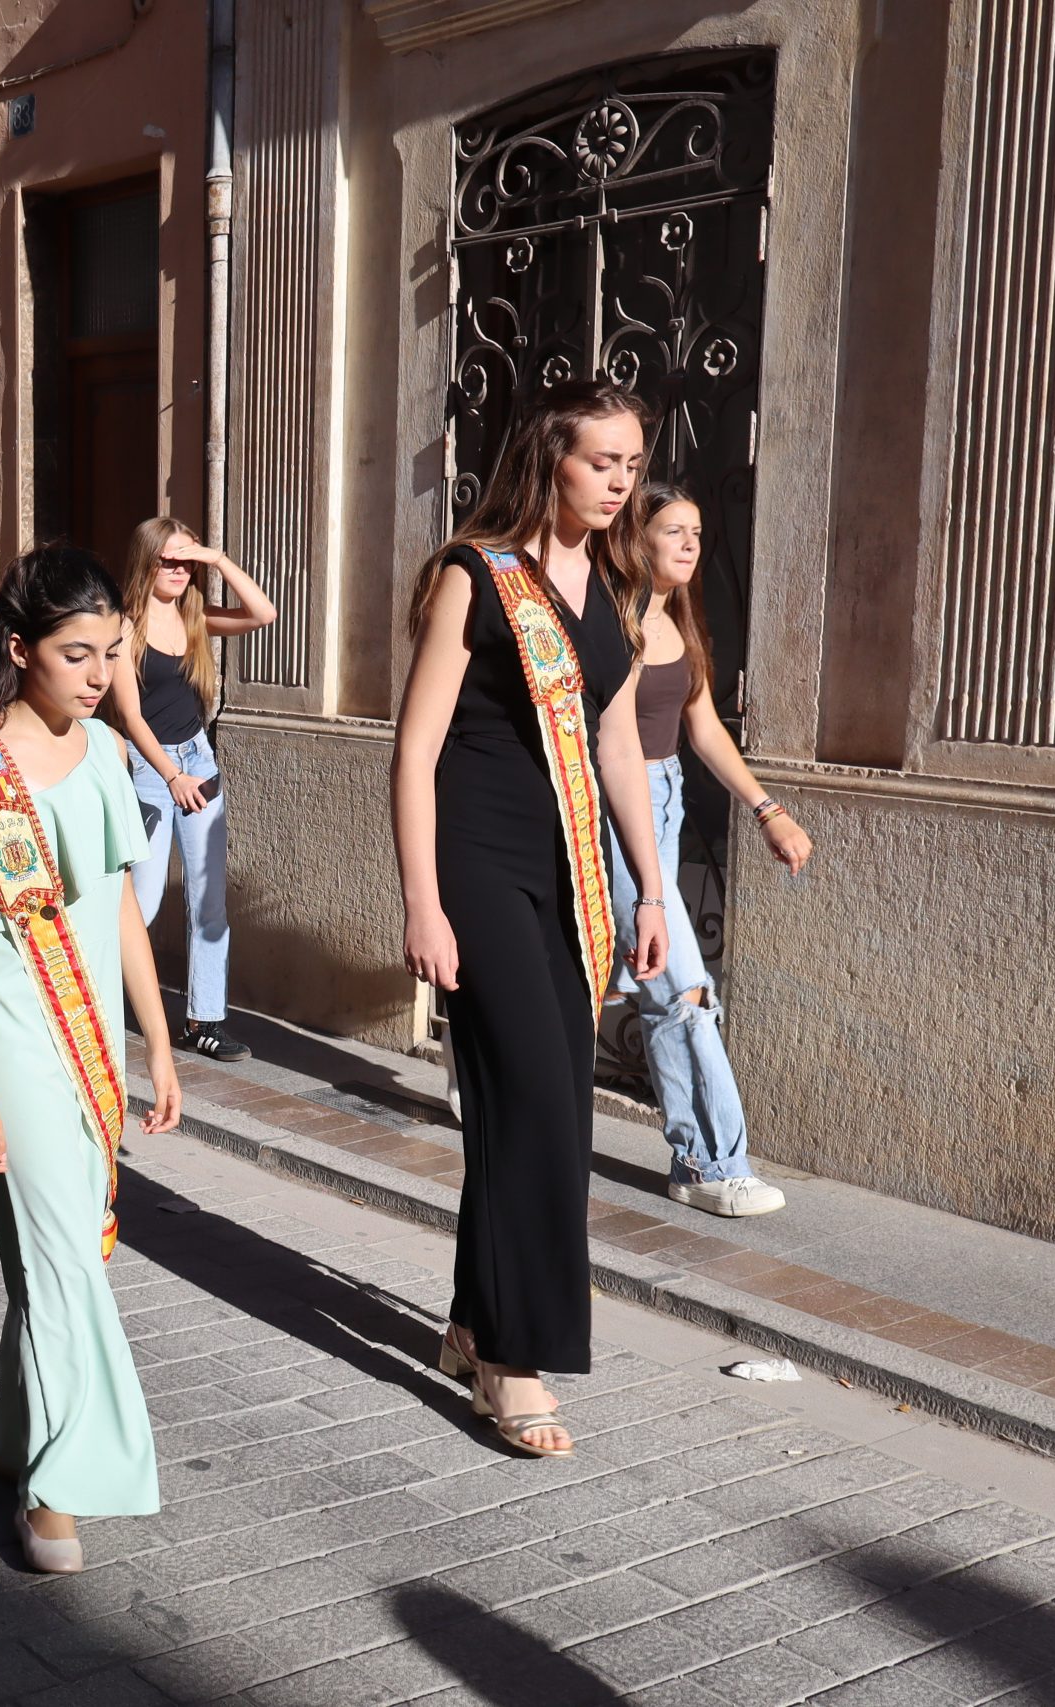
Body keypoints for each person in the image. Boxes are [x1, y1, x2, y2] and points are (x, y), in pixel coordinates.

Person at [391, 379, 670, 1461]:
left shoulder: (615, 587)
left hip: (569, 875)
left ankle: (472, 1322)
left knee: (546, 1105)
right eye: (601, 461)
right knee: (538, 1104)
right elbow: (416, 749)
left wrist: (651, 887)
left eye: (632, 464)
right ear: (549, 458)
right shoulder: (476, 575)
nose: (620, 482)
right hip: (477, 864)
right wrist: (422, 901)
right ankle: (512, 1360)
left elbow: (617, 748)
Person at [0, 547, 181, 1575]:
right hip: (12, 1038)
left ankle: (15, 1434)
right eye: (78, 653)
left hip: (90, 1036)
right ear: (22, 648)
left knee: (59, 1245)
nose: (98, 674)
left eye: (112, 653)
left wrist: (159, 1043)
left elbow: (118, 910)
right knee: (67, 1258)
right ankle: (59, 1486)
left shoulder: (111, 753)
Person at [607, 483, 810, 1218]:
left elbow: (704, 728)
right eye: (673, 531)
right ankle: (712, 1162)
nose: (691, 543)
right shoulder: (615, 625)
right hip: (615, 808)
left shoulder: (677, 621)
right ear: (636, 540)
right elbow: (611, 744)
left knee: (652, 983)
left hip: (664, 801)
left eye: (697, 531)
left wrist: (767, 810)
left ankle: (697, 1157)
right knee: (682, 989)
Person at [106, 517, 278, 1063]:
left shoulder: (195, 617)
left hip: (197, 761)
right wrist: (169, 776)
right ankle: (95, 994)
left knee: (208, 901)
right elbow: (130, 716)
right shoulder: (123, 628)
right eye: (170, 559)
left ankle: (205, 1021)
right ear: (146, 561)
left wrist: (217, 560)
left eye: (188, 560)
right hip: (149, 769)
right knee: (143, 900)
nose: (180, 569)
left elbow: (264, 613)